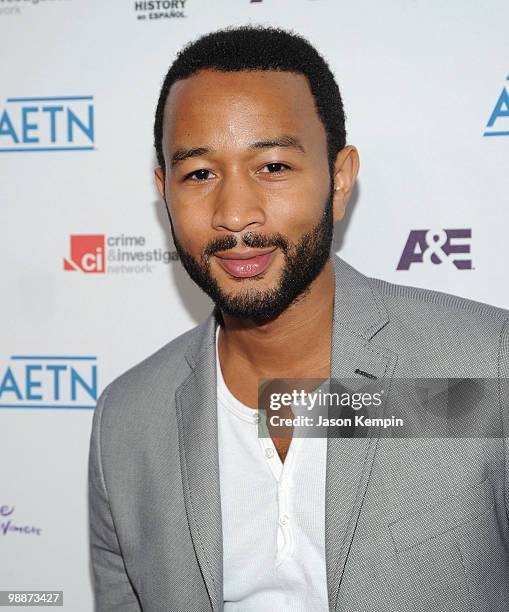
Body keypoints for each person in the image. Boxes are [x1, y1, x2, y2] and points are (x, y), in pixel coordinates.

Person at [88, 26, 509, 612]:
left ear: (338, 179)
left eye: (274, 166)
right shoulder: (126, 420)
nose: (235, 215)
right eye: (199, 174)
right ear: (164, 190)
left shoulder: (487, 365)